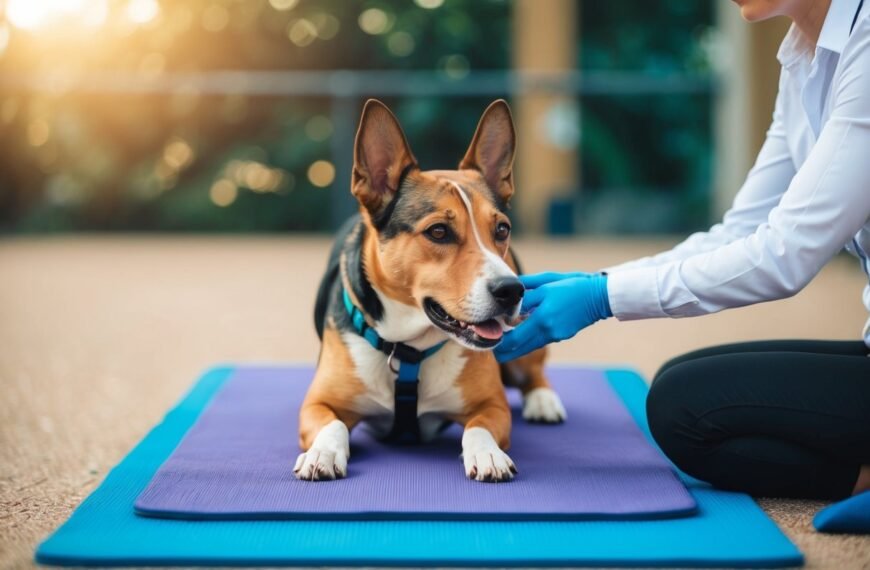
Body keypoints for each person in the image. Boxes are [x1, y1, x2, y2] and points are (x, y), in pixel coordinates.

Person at [495, 0, 870, 503]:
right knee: (677, 381)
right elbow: (741, 230)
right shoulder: (802, 57)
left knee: (686, 411)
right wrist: (598, 279)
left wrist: (603, 297)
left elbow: (787, 252)